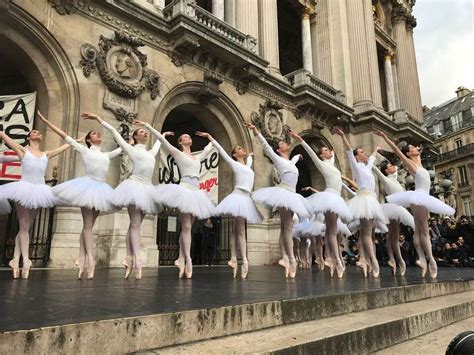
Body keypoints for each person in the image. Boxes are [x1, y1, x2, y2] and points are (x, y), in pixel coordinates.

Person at [38, 112, 122, 279]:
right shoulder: (84, 150)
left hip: (102, 188)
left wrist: (132, 141)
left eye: (98, 133)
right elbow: (64, 135)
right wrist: (46, 120)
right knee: (88, 225)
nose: (97, 134)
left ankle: (82, 258)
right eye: (93, 134)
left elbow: (122, 146)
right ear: (89, 140)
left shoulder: (106, 155)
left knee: (88, 226)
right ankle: (90, 260)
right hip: (88, 186)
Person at [81, 113, 162, 280]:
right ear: (134, 136)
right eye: (141, 132)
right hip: (134, 185)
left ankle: (129, 258)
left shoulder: (151, 152)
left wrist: (149, 127)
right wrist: (98, 119)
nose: (145, 134)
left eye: (145, 133)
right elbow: (113, 131)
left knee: (136, 226)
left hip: (148, 188)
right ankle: (137, 260)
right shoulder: (130, 148)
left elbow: (160, 140)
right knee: (134, 225)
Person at [375, 130, 455, 278]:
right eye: (412, 148)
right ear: (410, 153)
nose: (415, 148)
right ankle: (430, 260)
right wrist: (385, 137)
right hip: (420, 197)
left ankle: (423, 260)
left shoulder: (420, 164)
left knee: (419, 231)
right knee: (423, 231)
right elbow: (398, 152)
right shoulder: (411, 164)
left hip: (421, 197)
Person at [0, 116, 71, 279]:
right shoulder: (22, 150)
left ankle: (15, 259)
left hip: (40, 189)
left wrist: (48, 123)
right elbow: (4, 135)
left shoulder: (46, 153)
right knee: (24, 225)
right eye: (34, 131)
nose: (37, 132)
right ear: (28, 137)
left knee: (25, 227)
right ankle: (26, 260)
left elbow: (68, 144)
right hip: (24, 187)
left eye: (39, 131)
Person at [147, 124, 215, 279]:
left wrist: (209, 137)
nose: (188, 137)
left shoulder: (197, 157)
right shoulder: (177, 152)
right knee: (186, 226)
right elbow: (161, 141)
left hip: (196, 191)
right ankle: (188, 259)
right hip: (184, 189)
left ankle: (180, 258)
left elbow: (209, 148)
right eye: (185, 136)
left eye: (189, 136)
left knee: (188, 228)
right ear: (180, 142)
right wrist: (154, 130)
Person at [245, 122, 309, 278]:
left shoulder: (290, 161)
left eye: (285, 142)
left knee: (285, 227)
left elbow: (292, 162)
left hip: (292, 195)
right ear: (280, 150)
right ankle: (290, 259)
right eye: (282, 143)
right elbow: (266, 147)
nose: (285, 143)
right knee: (287, 227)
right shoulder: (278, 159)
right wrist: (256, 131)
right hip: (284, 194)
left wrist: (297, 154)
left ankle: (286, 258)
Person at [196, 131, 262, 278]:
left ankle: (233, 258)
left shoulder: (248, 165)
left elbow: (250, 161)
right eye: (239, 149)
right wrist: (210, 137)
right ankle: (244, 260)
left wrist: (250, 154)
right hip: (238, 196)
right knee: (240, 230)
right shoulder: (233, 163)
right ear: (234, 154)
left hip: (246, 198)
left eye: (241, 148)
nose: (242, 149)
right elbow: (220, 150)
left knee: (234, 230)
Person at [289, 130, 352, 278]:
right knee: (331, 230)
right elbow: (312, 154)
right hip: (330, 197)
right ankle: (336, 260)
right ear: (322, 155)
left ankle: (332, 259)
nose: (329, 151)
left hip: (336, 198)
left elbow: (335, 151)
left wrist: (341, 135)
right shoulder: (322, 164)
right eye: (325, 150)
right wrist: (300, 140)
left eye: (328, 150)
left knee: (333, 230)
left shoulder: (332, 163)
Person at [335, 127, 387, 278]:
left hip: (371, 199)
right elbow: (349, 151)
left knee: (369, 232)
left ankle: (365, 260)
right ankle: (373, 261)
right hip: (364, 199)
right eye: (362, 152)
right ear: (358, 157)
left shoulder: (367, 167)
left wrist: (377, 148)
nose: (365, 154)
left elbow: (371, 158)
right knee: (366, 232)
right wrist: (343, 135)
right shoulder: (356, 166)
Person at [373, 160, 415, 275]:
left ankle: (393, 259)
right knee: (394, 236)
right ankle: (399, 261)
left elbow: (396, 166)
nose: (393, 167)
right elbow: (377, 170)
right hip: (393, 209)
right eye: (390, 166)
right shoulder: (386, 179)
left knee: (391, 236)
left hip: (396, 209)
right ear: (386, 170)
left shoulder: (394, 177)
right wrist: (370, 160)